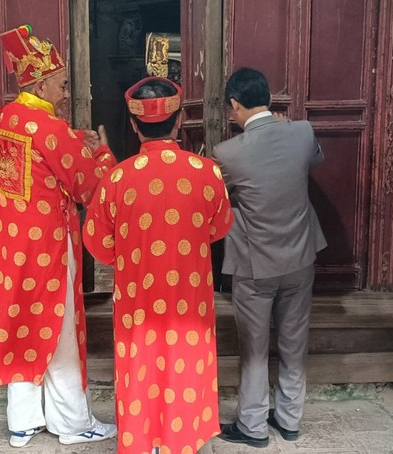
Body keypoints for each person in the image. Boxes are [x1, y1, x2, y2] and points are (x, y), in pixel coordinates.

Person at [83, 77, 233, 454]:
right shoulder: (207, 172)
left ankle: (142, 440)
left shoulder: (117, 178)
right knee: (187, 359)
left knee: (140, 366)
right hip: (190, 298)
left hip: (138, 301)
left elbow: (99, 244)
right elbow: (218, 228)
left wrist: (134, 255)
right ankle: (181, 439)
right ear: (179, 121)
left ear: (134, 126)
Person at [0, 24, 117, 448]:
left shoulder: (1, 120)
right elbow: (87, 185)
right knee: (59, 329)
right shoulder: (49, 128)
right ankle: (72, 422)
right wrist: (99, 148)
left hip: (12, 246)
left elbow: (36, 165)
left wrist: (70, 141)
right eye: (61, 84)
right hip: (48, 245)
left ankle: (22, 419)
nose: (65, 93)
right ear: (40, 83)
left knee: (21, 322)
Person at [214, 68, 326, 448]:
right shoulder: (302, 131)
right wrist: (289, 125)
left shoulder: (227, 153)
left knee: (254, 348)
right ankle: (291, 419)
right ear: (269, 98)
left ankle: (253, 426)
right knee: (294, 341)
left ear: (235, 104)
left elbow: (217, 200)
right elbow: (316, 160)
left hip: (255, 264)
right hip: (300, 258)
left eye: (230, 109)